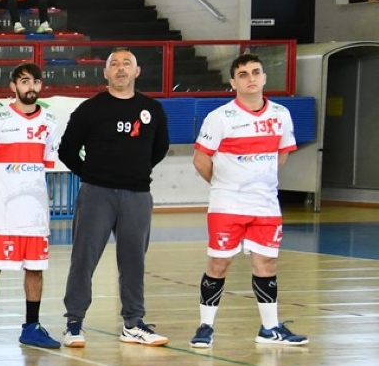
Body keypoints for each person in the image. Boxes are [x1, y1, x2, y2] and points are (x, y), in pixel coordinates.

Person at [189, 54, 307, 348]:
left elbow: (282, 154)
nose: (251, 78)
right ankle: (205, 326)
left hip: (266, 205)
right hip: (227, 204)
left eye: (256, 72)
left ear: (264, 77)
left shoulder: (281, 114)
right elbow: (200, 160)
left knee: (266, 263)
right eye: (243, 74)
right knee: (219, 264)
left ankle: (270, 328)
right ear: (233, 82)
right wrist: (224, 186)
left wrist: (260, 182)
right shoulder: (220, 117)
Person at [57, 48, 171, 348]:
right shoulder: (90, 109)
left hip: (137, 196)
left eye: (127, 64)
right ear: (106, 73)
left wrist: (135, 172)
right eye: (115, 64)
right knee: (84, 259)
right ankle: (74, 323)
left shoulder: (152, 109)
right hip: (97, 195)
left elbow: (160, 148)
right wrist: (93, 174)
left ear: (137, 71)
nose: (121, 69)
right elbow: (66, 150)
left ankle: (133, 323)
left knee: (133, 261)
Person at [0, 63, 64, 350]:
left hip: (34, 212)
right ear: (13, 86)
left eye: (35, 81)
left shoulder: (50, 122)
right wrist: (2, 186)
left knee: (35, 269)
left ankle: (31, 327)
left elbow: (44, 165)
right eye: (24, 81)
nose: (30, 87)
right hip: (1, 212)